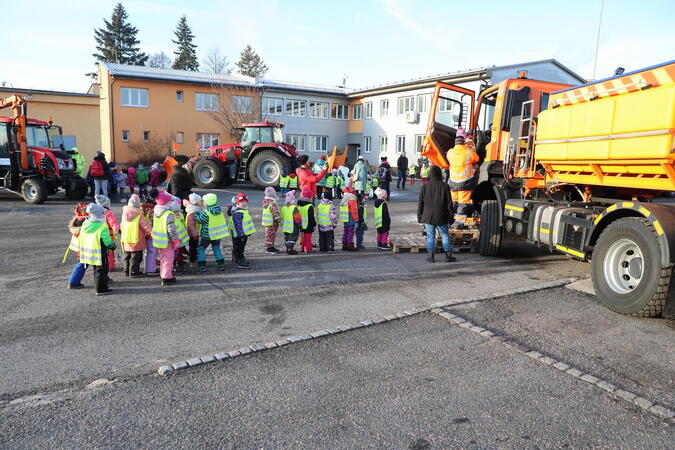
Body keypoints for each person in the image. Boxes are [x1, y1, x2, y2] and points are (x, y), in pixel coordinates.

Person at [67, 203, 115, 295]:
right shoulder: (102, 225)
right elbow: (106, 239)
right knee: (100, 269)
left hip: (86, 249)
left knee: (86, 265)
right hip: (99, 251)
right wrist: (112, 245)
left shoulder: (86, 223)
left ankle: (74, 282)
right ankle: (100, 289)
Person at [417, 165, 455, 262]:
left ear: (430, 174)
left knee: (430, 236)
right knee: (445, 235)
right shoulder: (445, 186)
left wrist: (419, 217)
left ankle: (431, 256)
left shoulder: (425, 186)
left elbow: (420, 203)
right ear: (439, 174)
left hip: (428, 216)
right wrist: (451, 217)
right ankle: (448, 255)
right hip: (442, 216)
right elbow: (449, 203)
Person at [448, 132, 480, 229]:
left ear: (455, 143)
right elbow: (477, 159)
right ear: (463, 143)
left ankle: (451, 220)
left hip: (453, 182)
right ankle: (459, 223)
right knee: (463, 202)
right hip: (465, 182)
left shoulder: (450, 152)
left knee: (454, 201)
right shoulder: (468, 151)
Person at [120, 194, 152, 277]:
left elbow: (121, 225)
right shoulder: (139, 216)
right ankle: (134, 272)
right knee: (136, 256)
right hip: (137, 239)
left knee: (127, 255)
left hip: (126, 238)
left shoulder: (125, 214)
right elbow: (146, 226)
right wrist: (152, 232)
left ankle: (126, 270)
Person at [195, 193, 228, 272]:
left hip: (207, 235)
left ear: (207, 203)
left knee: (201, 248)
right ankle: (221, 264)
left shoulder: (206, 212)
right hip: (217, 234)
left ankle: (202, 265)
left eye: (204, 201)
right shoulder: (219, 211)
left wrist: (196, 214)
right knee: (216, 248)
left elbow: (199, 220)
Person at [152, 191, 180, 285]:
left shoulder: (156, 210)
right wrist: (175, 239)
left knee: (163, 258)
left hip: (159, 239)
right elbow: (171, 229)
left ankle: (163, 275)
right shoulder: (169, 213)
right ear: (167, 202)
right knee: (169, 259)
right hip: (167, 240)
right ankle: (167, 278)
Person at [230, 193, 255, 268]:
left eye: (245, 202)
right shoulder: (238, 212)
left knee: (238, 246)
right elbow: (238, 225)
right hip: (240, 235)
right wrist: (241, 234)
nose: (244, 204)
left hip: (243, 234)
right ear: (238, 203)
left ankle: (236, 258)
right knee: (239, 247)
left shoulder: (243, 210)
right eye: (242, 202)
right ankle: (240, 261)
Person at [95, 194, 119, 270]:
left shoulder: (95, 212)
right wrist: (117, 230)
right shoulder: (108, 213)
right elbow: (113, 223)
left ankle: (100, 264)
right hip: (108, 234)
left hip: (97, 235)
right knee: (109, 251)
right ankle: (111, 265)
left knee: (100, 251)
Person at [184, 193, 203, 269]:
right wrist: (195, 234)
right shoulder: (193, 212)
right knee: (193, 248)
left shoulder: (192, 208)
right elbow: (191, 225)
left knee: (193, 247)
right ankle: (193, 261)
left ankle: (193, 259)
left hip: (193, 233)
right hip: (193, 234)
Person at [280, 190, 302, 255]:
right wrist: (300, 225)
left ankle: (287, 248)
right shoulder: (294, 208)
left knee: (287, 238)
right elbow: (297, 218)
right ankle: (290, 249)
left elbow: (282, 217)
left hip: (285, 226)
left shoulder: (283, 208)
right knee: (293, 238)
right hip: (293, 226)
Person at [141, 200, 159, 276]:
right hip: (152, 234)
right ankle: (151, 269)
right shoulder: (152, 211)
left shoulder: (143, 210)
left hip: (145, 234)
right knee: (152, 252)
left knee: (147, 252)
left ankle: (147, 268)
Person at [261, 187, 281, 253]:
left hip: (266, 221)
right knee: (271, 234)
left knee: (268, 234)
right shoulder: (273, 203)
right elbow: (275, 212)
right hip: (272, 222)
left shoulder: (265, 202)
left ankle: (269, 246)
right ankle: (269, 248)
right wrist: (278, 219)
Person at [340, 185, 359, 251]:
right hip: (351, 218)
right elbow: (354, 211)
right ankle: (350, 245)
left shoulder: (344, 199)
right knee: (350, 232)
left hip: (345, 219)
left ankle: (344, 244)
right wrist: (356, 220)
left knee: (346, 232)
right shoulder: (352, 200)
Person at [297, 187, 316, 253]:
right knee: (308, 237)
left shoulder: (300, 205)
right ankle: (308, 249)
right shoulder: (310, 206)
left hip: (302, 224)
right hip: (308, 224)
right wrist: (314, 224)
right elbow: (311, 217)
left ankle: (303, 248)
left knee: (304, 237)